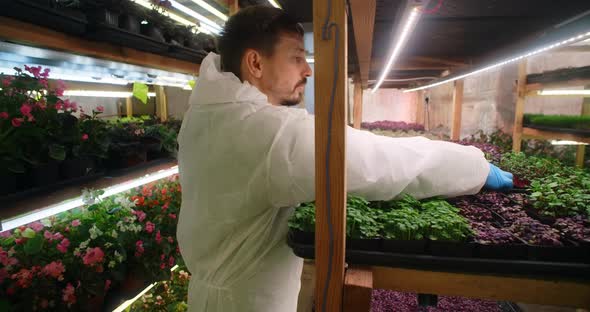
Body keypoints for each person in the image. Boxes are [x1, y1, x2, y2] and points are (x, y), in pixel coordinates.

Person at [176, 5, 512, 312]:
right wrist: (474, 166)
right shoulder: (264, 133)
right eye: (296, 57)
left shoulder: (211, 113)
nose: (307, 70)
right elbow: (375, 162)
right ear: (256, 63)